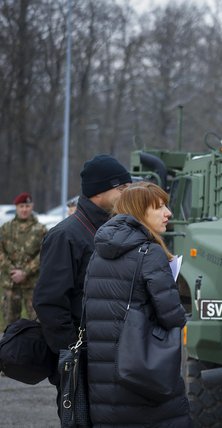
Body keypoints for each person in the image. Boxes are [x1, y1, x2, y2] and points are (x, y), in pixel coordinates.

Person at [32, 154, 132, 419]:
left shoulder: (113, 229)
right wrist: (71, 355)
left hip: (110, 357)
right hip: (82, 360)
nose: (127, 194)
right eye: (121, 188)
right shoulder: (66, 235)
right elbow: (49, 302)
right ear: (99, 192)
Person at [84, 181, 191, 426]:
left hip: (104, 381)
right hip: (144, 379)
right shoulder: (150, 253)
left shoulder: (98, 253)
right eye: (160, 207)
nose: (168, 213)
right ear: (140, 211)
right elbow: (172, 317)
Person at [0, 192, 47, 325]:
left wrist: (25, 272)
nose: (24, 209)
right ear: (16, 207)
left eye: (27, 206)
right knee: (9, 324)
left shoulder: (41, 230)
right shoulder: (6, 229)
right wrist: (12, 271)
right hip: (10, 283)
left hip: (32, 284)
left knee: (37, 322)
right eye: (21, 206)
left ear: (32, 207)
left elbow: (44, 253)